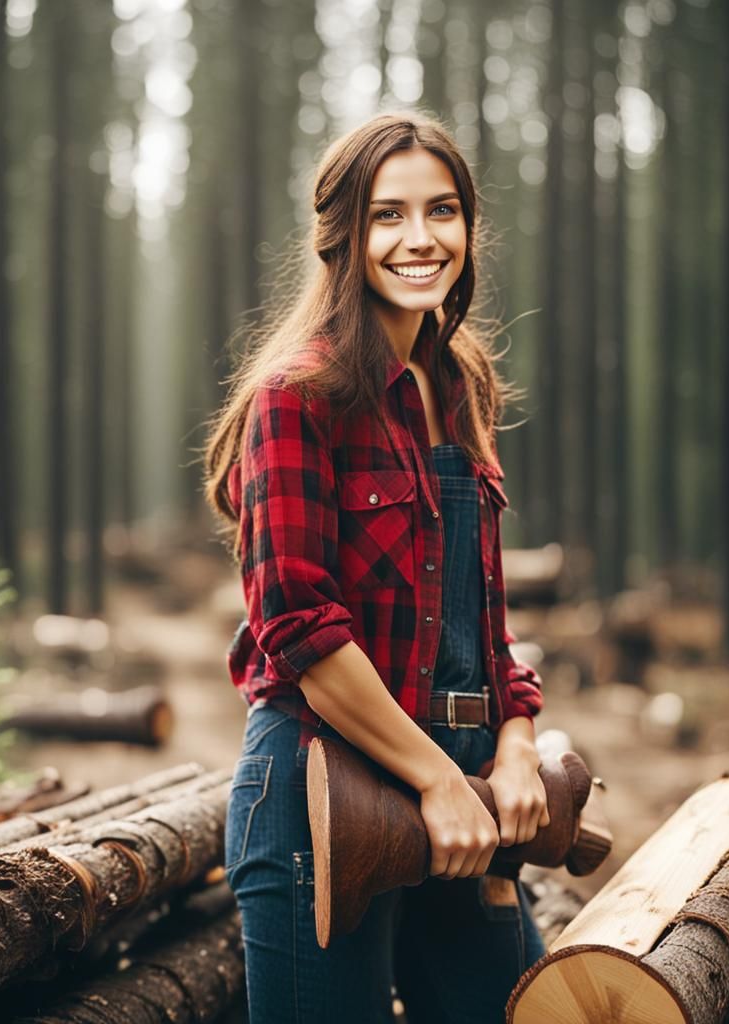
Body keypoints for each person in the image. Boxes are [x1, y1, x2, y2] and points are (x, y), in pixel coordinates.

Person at [202, 112, 548, 1024]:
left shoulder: (458, 382)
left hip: (464, 782)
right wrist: (435, 779)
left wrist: (516, 743)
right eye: (388, 215)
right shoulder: (295, 395)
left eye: (443, 210)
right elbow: (300, 630)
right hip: (323, 795)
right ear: (342, 235)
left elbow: (483, 615)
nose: (420, 238)